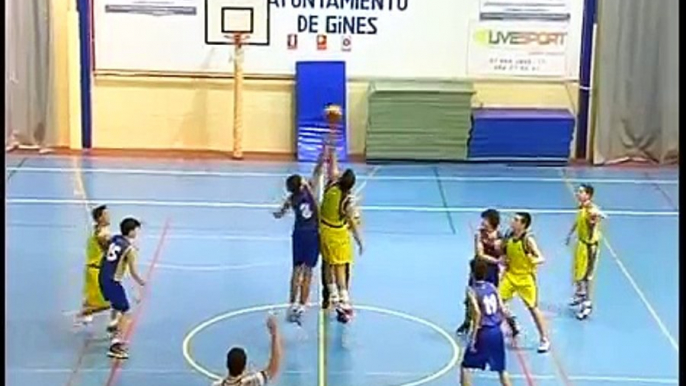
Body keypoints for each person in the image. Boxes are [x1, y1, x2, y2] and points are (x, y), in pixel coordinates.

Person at [273, 151, 325, 324]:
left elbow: (281, 212)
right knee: (308, 271)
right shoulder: (309, 192)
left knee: (296, 270)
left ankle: (292, 304)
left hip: (298, 235)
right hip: (312, 234)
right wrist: (322, 156)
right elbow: (317, 171)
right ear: (301, 184)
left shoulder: (292, 198)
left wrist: (278, 213)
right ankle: (302, 304)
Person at [319, 142, 363, 322]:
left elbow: (332, 167)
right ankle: (344, 300)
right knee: (341, 267)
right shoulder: (346, 199)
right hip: (339, 233)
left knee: (329, 265)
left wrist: (332, 149)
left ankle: (334, 298)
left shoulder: (332, 184)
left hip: (324, 230)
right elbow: (352, 221)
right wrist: (360, 240)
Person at [499, 212, 550, 353]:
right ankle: (511, 320)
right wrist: (503, 259)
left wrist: (533, 260)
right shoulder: (509, 236)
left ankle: (544, 339)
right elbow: (504, 252)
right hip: (510, 276)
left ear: (523, 224)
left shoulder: (528, 239)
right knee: (497, 302)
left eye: (516, 220)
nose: (512, 221)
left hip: (525, 278)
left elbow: (541, 258)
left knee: (533, 309)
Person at [98, 217, 146, 359]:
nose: (137, 232)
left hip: (102, 277)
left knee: (116, 305)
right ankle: (116, 345)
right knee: (126, 311)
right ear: (131, 231)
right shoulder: (129, 250)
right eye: (136, 230)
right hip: (113, 282)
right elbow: (133, 271)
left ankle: (113, 325)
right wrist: (142, 282)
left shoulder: (115, 239)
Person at [460, 259, 513, 386]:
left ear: (472, 272)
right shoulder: (492, 287)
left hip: (483, 332)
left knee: (465, 366)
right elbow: (503, 309)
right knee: (501, 369)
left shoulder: (471, 290)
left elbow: (477, 313)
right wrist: (510, 325)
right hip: (496, 331)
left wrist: (473, 338)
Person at [457, 209, 503, 335]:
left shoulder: (500, 237)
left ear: (492, 221)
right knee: (470, 297)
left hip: (492, 271)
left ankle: (492, 321)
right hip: (478, 269)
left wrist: (498, 249)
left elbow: (503, 254)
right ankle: (467, 322)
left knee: (491, 296)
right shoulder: (479, 234)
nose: (483, 222)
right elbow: (480, 254)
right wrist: (497, 261)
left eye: (485, 220)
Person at [565, 184, 604, 320]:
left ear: (588, 195)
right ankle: (580, 295)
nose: (578, 194)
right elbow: (577, 221)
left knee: (586, 277)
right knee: (577, 273)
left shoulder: (591, 210)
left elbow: (593, 220)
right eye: (578, 192)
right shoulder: (582, 208)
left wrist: (594, 220)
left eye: (581, 192)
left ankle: (587, 304)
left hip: (589, 247)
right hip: (580, 244)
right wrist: (570, 234)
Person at [213, 314, 282, 386]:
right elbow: (273, 369)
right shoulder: (251, 383)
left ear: (227, 365)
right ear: (244, 368)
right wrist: (274, 334)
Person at [74, 205, 112, 325]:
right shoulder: (101, 234)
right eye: (106, 214)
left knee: (91, 298)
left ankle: (84, 316)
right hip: (97, 271)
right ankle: (83, 314)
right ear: (100, 218)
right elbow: (109, 249)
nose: (109, 216)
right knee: (109, 303)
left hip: (92, 270)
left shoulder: (100, 230)